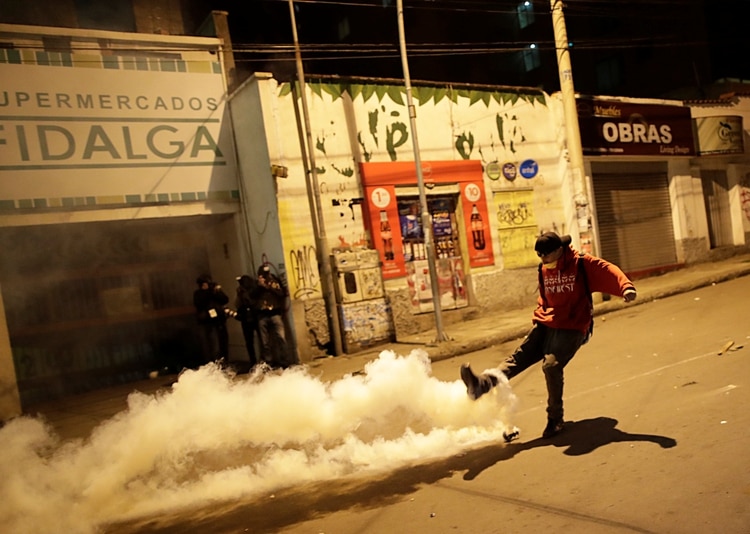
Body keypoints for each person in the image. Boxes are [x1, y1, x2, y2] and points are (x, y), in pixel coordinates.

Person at [460, 232, 637, 439]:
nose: (544, 261)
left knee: (551, 366)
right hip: (547, 322)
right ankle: (481, 385)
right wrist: (540, 317)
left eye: (546, 256)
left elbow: (608, 270)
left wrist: (626, 288)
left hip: (573, 326)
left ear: (559, 251)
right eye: (540, 257)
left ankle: (555, 419)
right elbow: (545, 296)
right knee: (519, 358)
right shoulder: (543, 268)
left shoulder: (580, 263)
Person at [252, 263, 296, 369]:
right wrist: (260, 286)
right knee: (265, 341)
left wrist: (268, 287)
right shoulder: (256, 285)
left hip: (275, 313)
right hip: (262, 315)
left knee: (281, 338)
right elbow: (252, 296)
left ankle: (285, 361)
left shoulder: (274, 282)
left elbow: (281, 294)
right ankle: (269, 361)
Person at [193, 273, 230, 364]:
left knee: (221, 344)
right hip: (205, 322)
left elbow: (225, 299)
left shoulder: (214, 292)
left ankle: (222, 363)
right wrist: (208, 292)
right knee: (209, 346)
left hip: (218, 322)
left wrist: (216, 291)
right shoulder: (198, 294)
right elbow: (199, 304)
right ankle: (211, 364)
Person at [234, 274, 260, 368]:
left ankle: (258, 361)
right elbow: (238, 304)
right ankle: (254, 361)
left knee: (254, 341)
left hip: (253, 317)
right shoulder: (240, 292)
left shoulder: (252, 291)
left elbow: (250, 302)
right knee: (250, 342)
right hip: (248, 318)